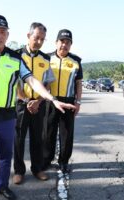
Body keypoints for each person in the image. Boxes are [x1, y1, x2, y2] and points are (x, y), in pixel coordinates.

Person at [0, 14, 74, 200]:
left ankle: (2, 186)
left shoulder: (15, 58)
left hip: (6, 115)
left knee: (6, 154)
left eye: (2, 32)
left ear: (7, 35)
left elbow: (31, 80)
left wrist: (51, 99)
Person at [12, 22, 54, 185]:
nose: (39, 42)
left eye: (42, 39)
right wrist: (26, 100)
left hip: (39, 104)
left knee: (38, 138)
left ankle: (37, 169)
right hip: (21, 104)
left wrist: (38, 101)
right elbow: (13, 82)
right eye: (36, 38)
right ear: (28, 36)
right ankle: (18, 171)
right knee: (19, 138)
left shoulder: (45, 58)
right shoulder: (16, 56)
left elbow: (48, 83)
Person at [43, 29, 83, 173]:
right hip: (50, 101)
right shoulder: (46, 58)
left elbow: (79, 83)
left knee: (66, 133)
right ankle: (47, 160)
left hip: (68, 101)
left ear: (71, 45)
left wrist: (78, 102)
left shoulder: (76, 61)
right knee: (48, 132)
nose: (64, 45)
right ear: (56, 42)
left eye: (68, 42)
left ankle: (64, 161)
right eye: (62, 41)